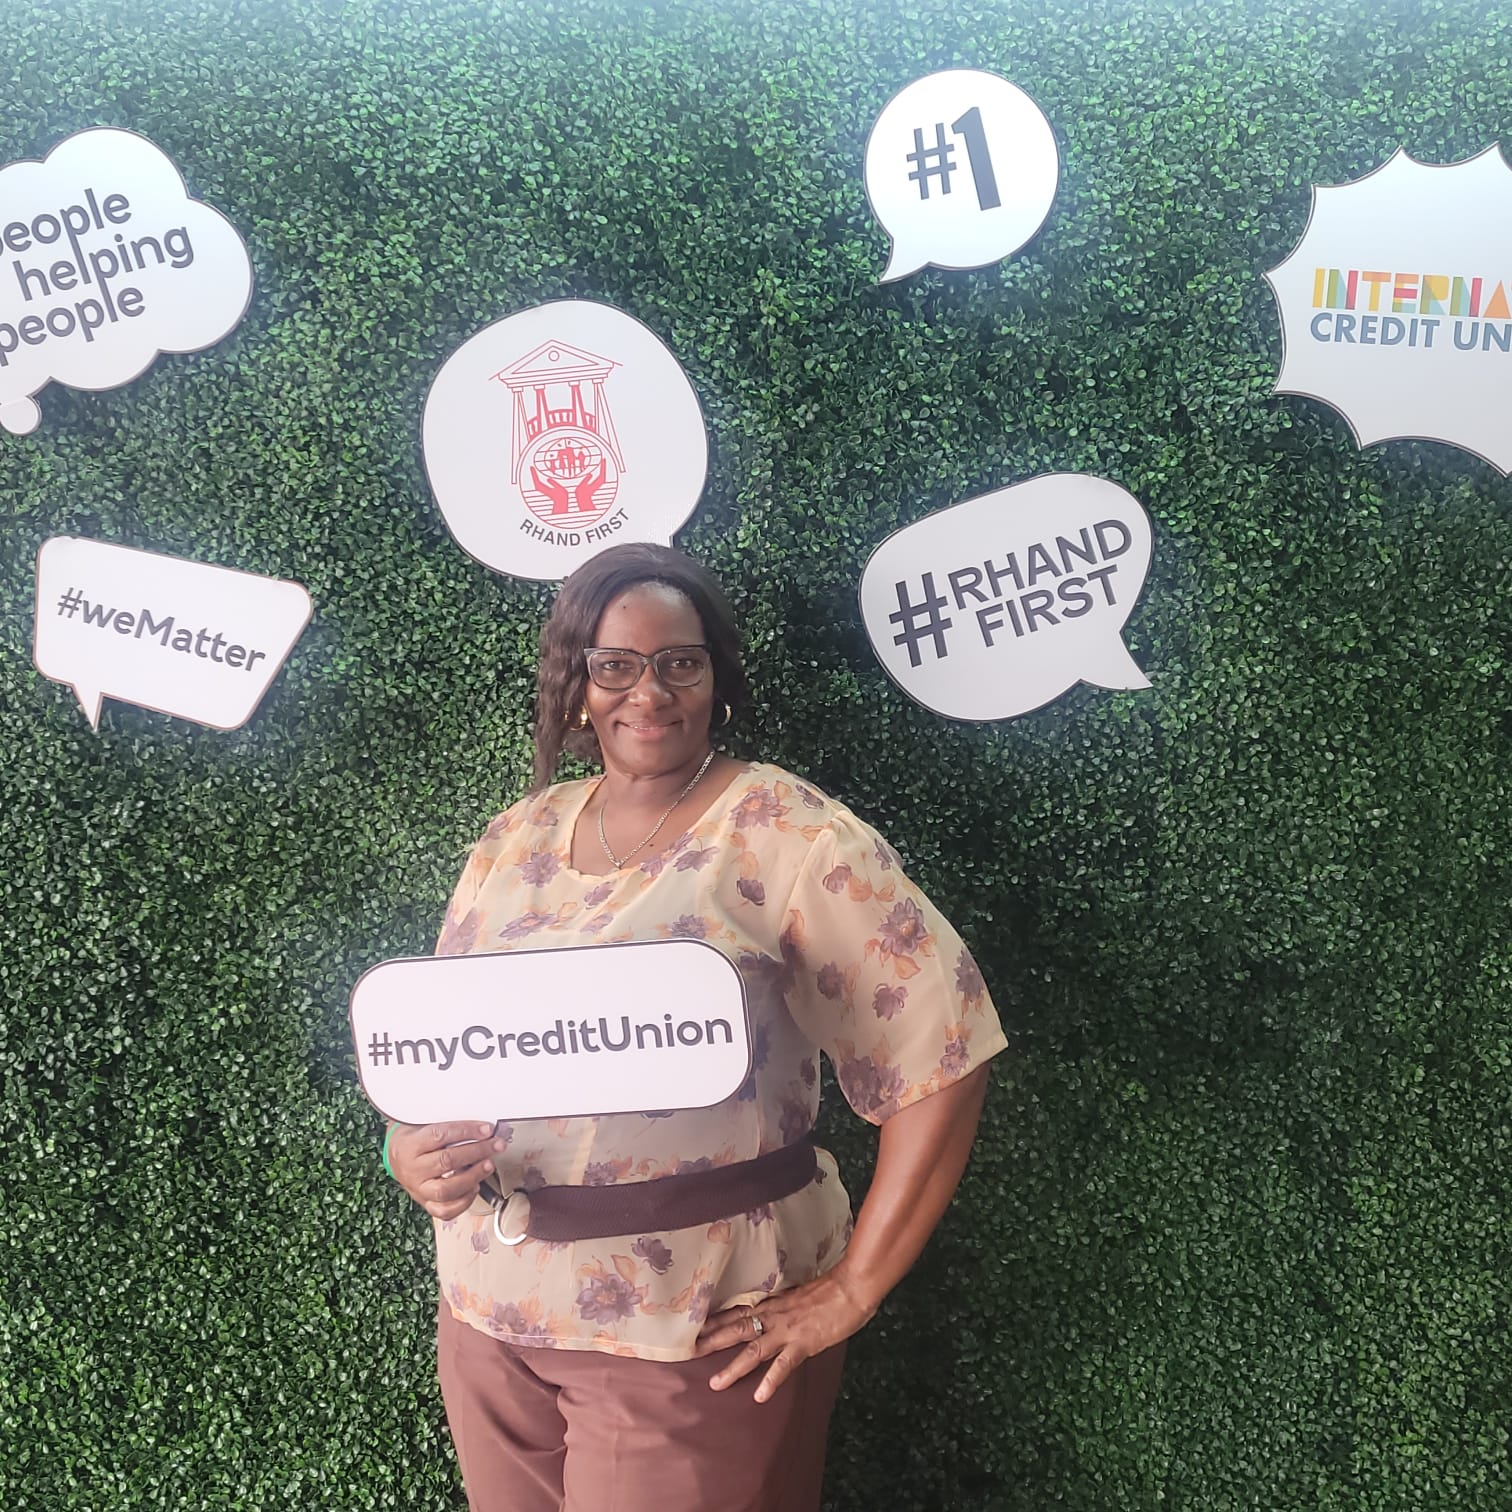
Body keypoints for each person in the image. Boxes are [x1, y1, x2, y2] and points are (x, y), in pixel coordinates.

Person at [384, 542, 1008, 1512]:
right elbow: (444, 1049)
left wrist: (856, 1287)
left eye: (680, 661)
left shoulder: (788, 834)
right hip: (487, 1316)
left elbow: (944, 1045)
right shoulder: (515, 839)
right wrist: (410, 1149)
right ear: (578, 684)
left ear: (716, 677)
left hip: (689, 1324)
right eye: (616, 665)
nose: (649, 691)